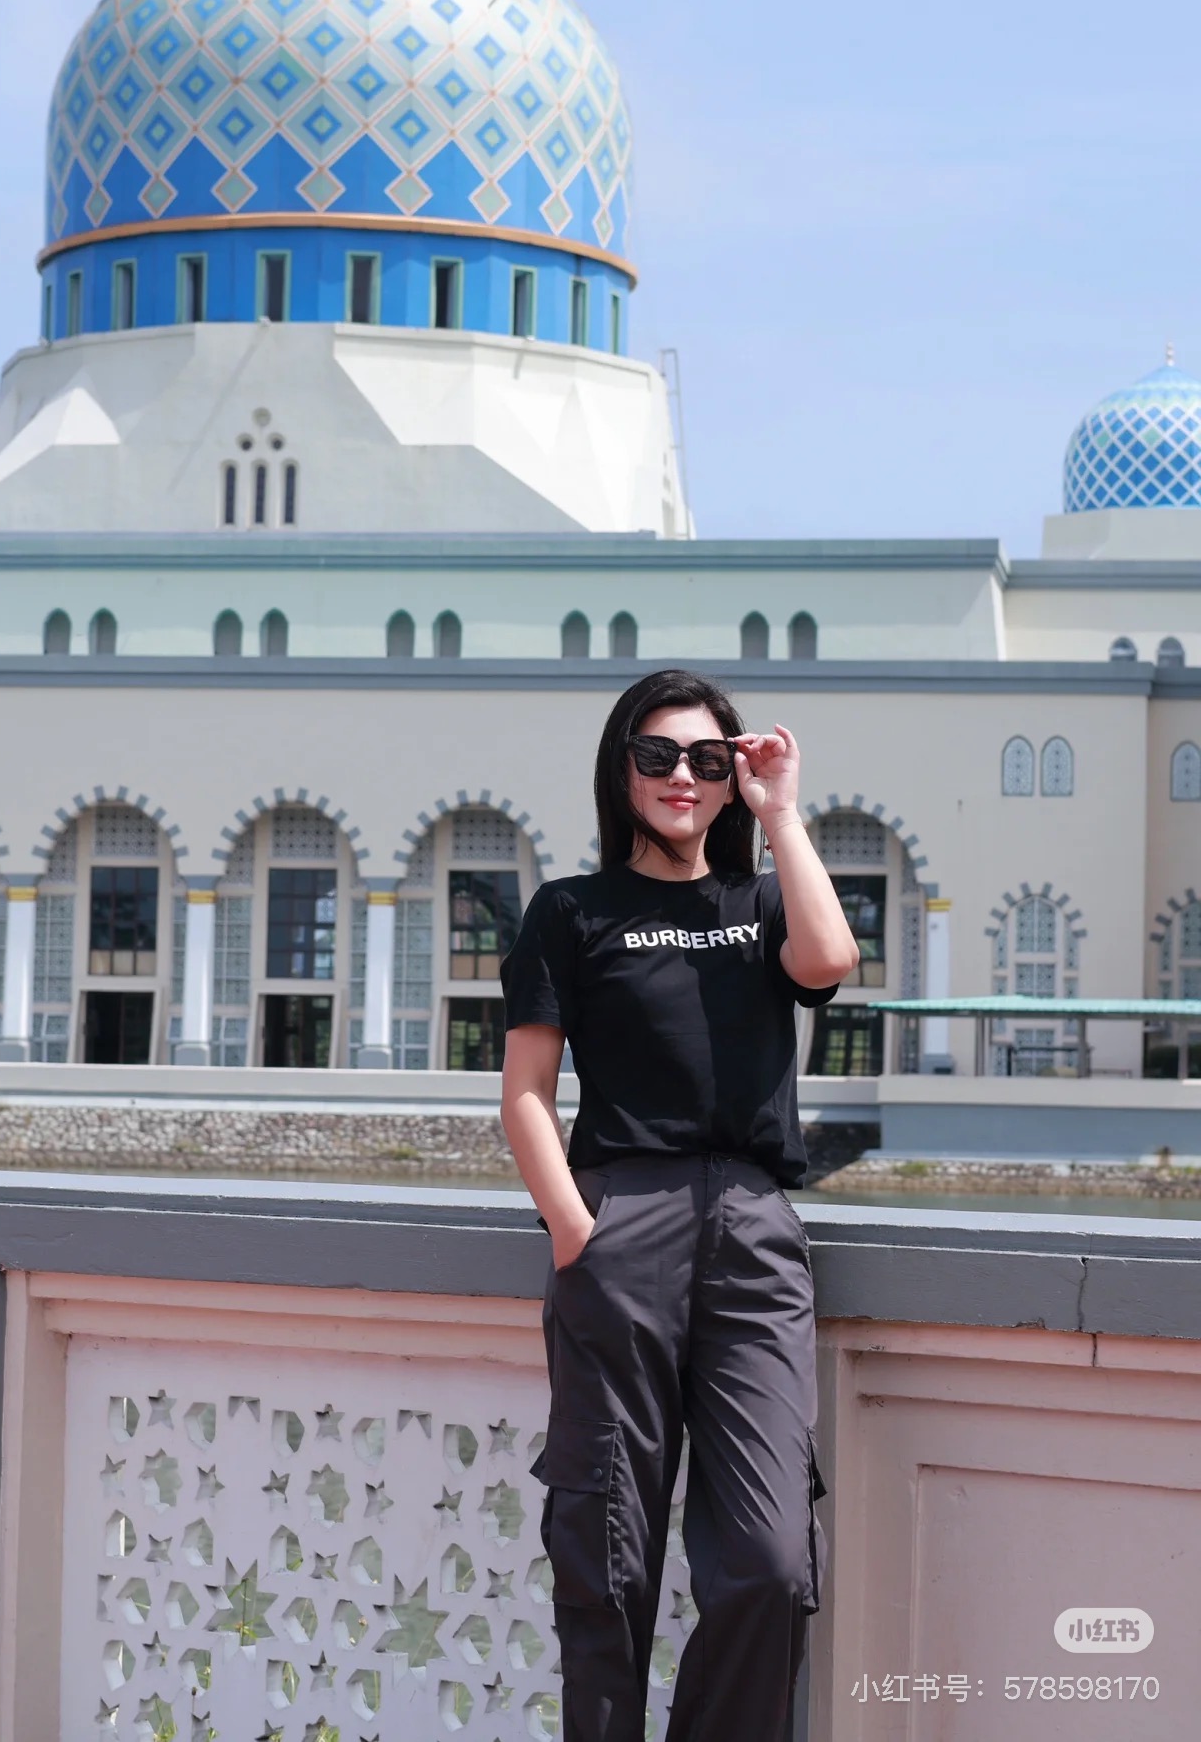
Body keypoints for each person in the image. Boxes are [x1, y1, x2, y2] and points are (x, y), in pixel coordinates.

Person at [499, 667, 859, 1742]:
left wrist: (780, 810)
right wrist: (577, 1230)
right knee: (607, 1554)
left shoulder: (759, 903)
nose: (683, 777)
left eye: (708, 758)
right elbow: (526, 1092)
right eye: (657, 755)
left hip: (753, 1231)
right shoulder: (573, 910)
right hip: (624, 1226)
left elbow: (830, 960)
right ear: (623, 769)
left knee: (771, 1560)